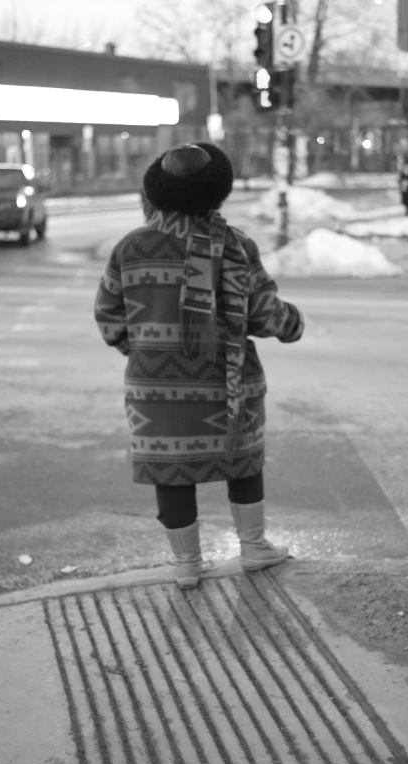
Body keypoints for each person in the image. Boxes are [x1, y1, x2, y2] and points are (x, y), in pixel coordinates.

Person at [94, 142, 304, 589]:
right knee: (242, 460)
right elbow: (267, 314)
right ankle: (252, 547)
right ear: (217, 192)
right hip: (227, 381)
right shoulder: (235, 246)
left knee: (171, 468)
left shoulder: (130, 248)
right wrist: (294, 324)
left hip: (154, 386)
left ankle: (187, 565)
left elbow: (109, 315)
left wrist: (145, 350)